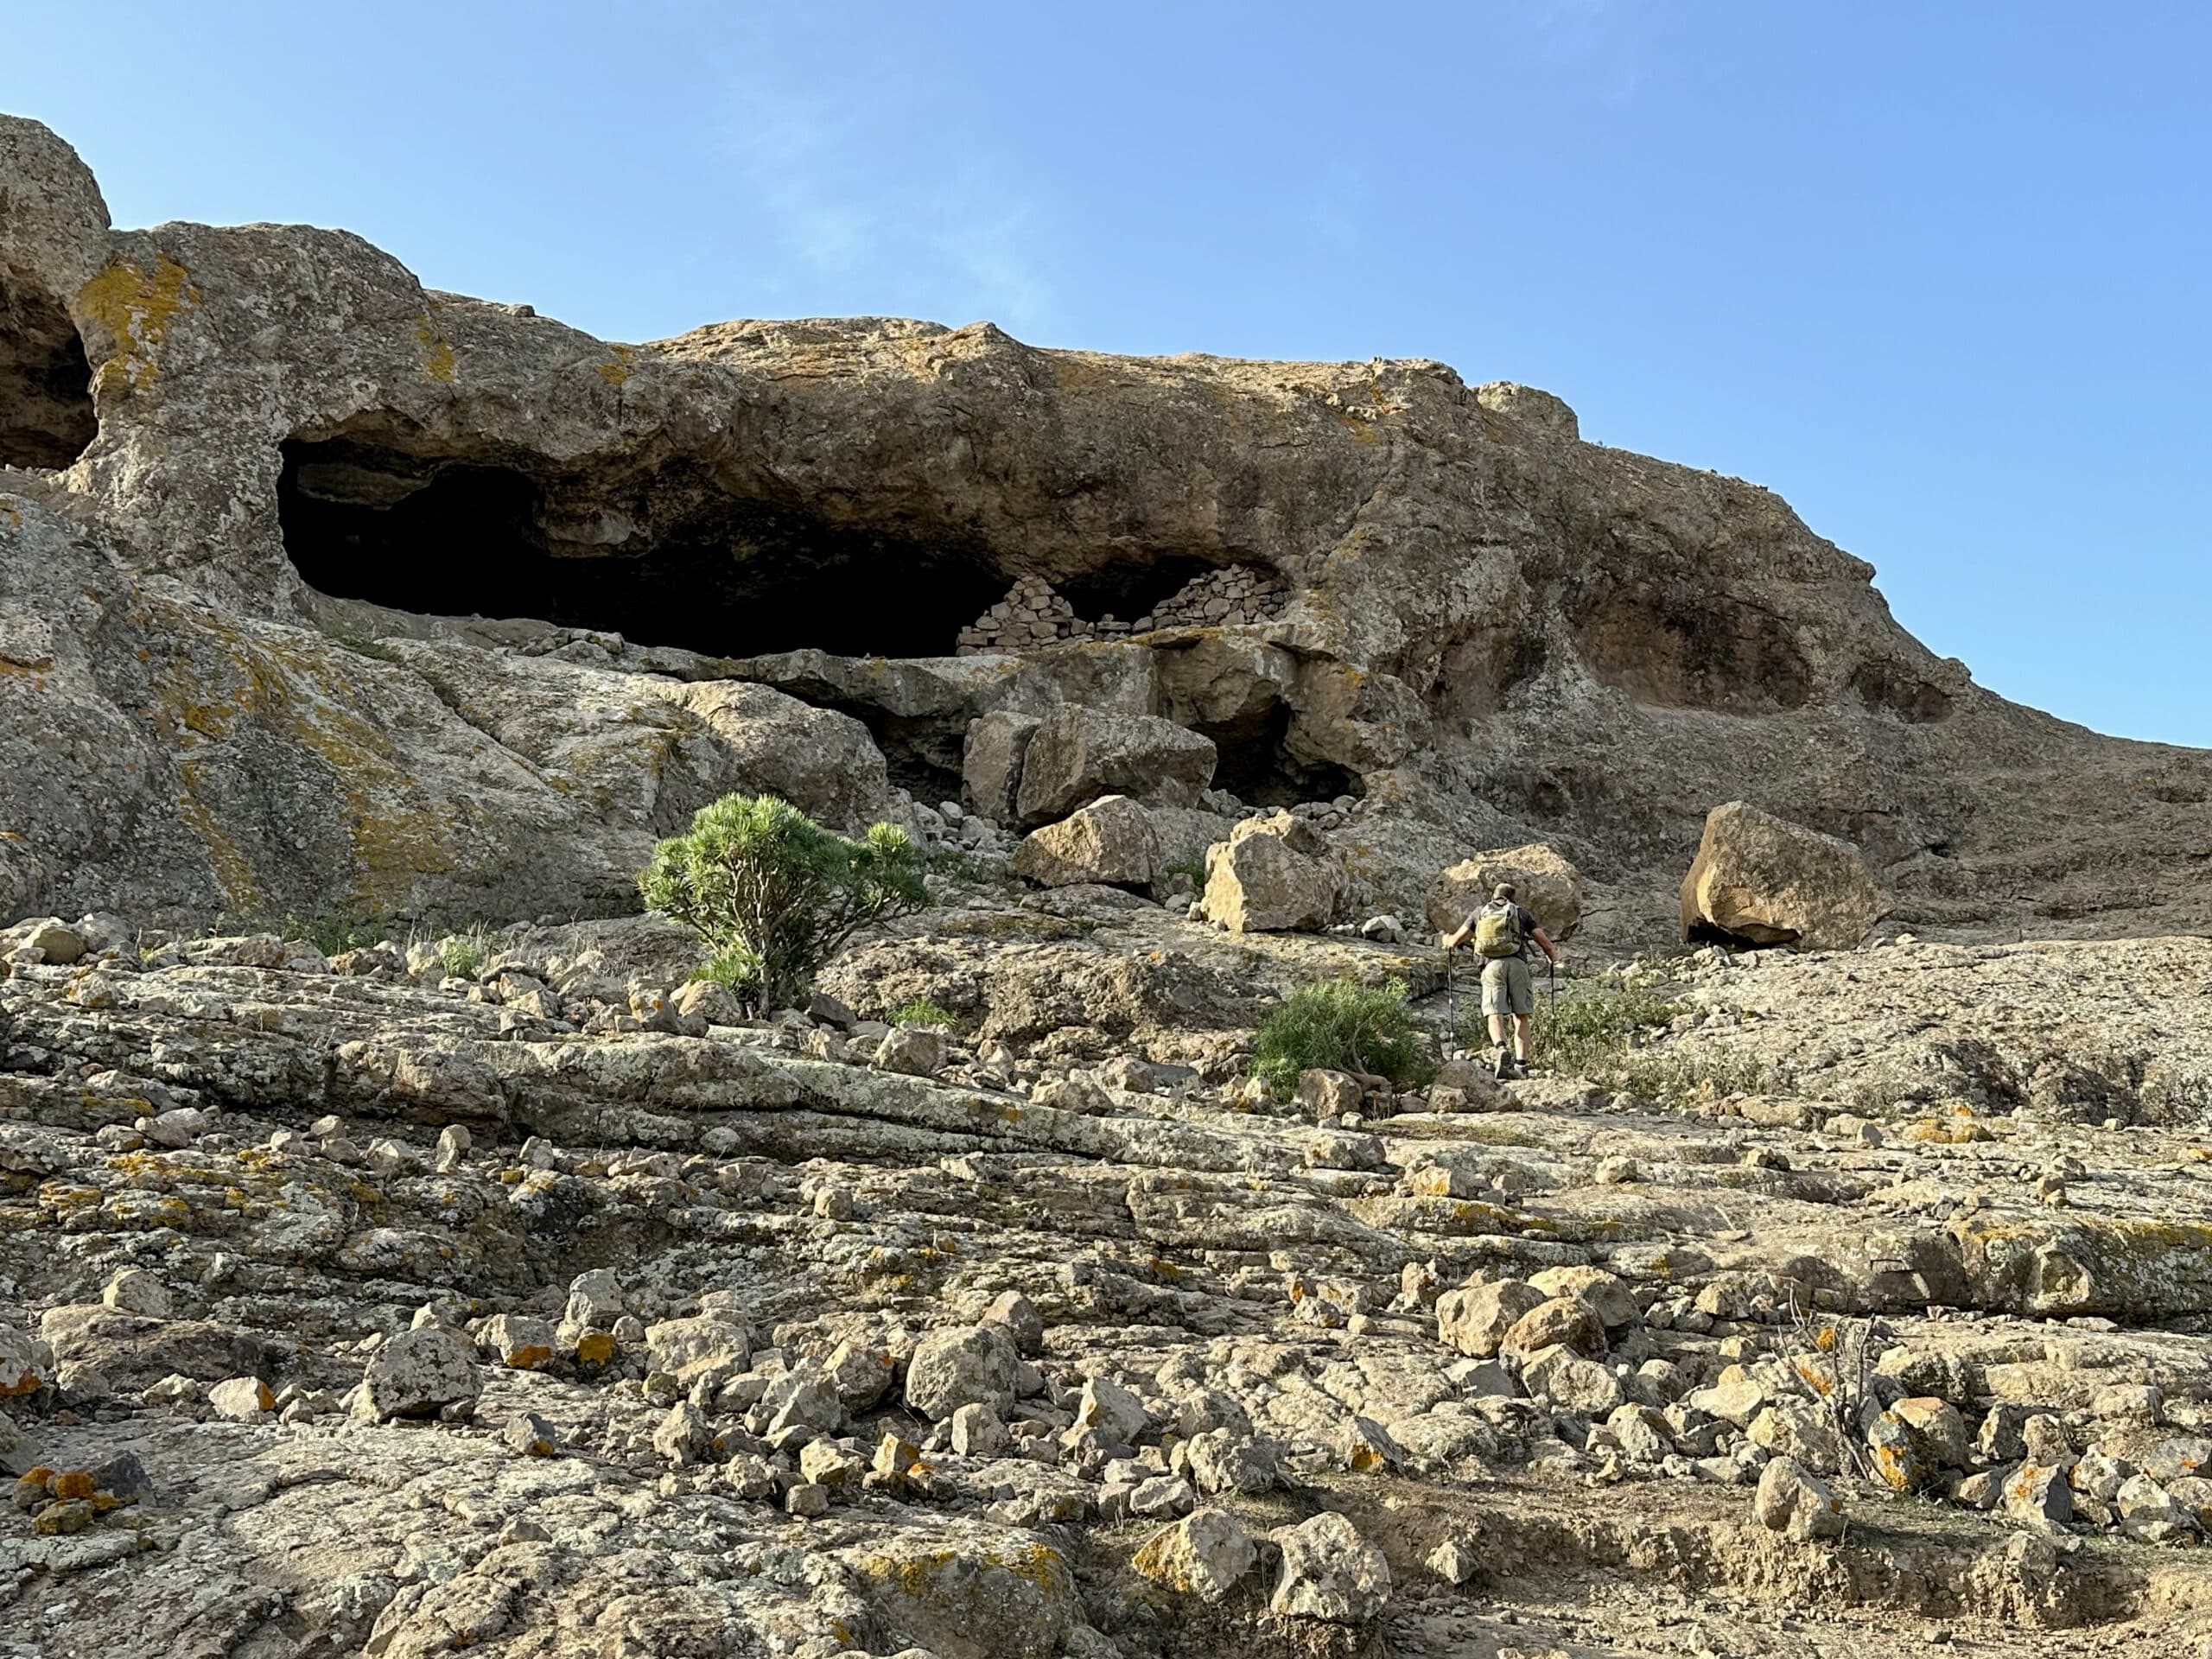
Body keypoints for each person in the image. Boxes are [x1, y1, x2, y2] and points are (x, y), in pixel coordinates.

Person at [1440, 881, 1560, 1079]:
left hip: (1491, 967)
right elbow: (1545, 943)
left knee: (1494, 1013)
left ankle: (1502, 1048)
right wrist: (1553, 958)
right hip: (1518, 965)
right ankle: (1521, 1065)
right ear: (1513, 898)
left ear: (1493, 896)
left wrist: (1446, 941)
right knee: (1520, 1016)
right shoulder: (1521, 913)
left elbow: (1455, 941)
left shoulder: (1480, 912)